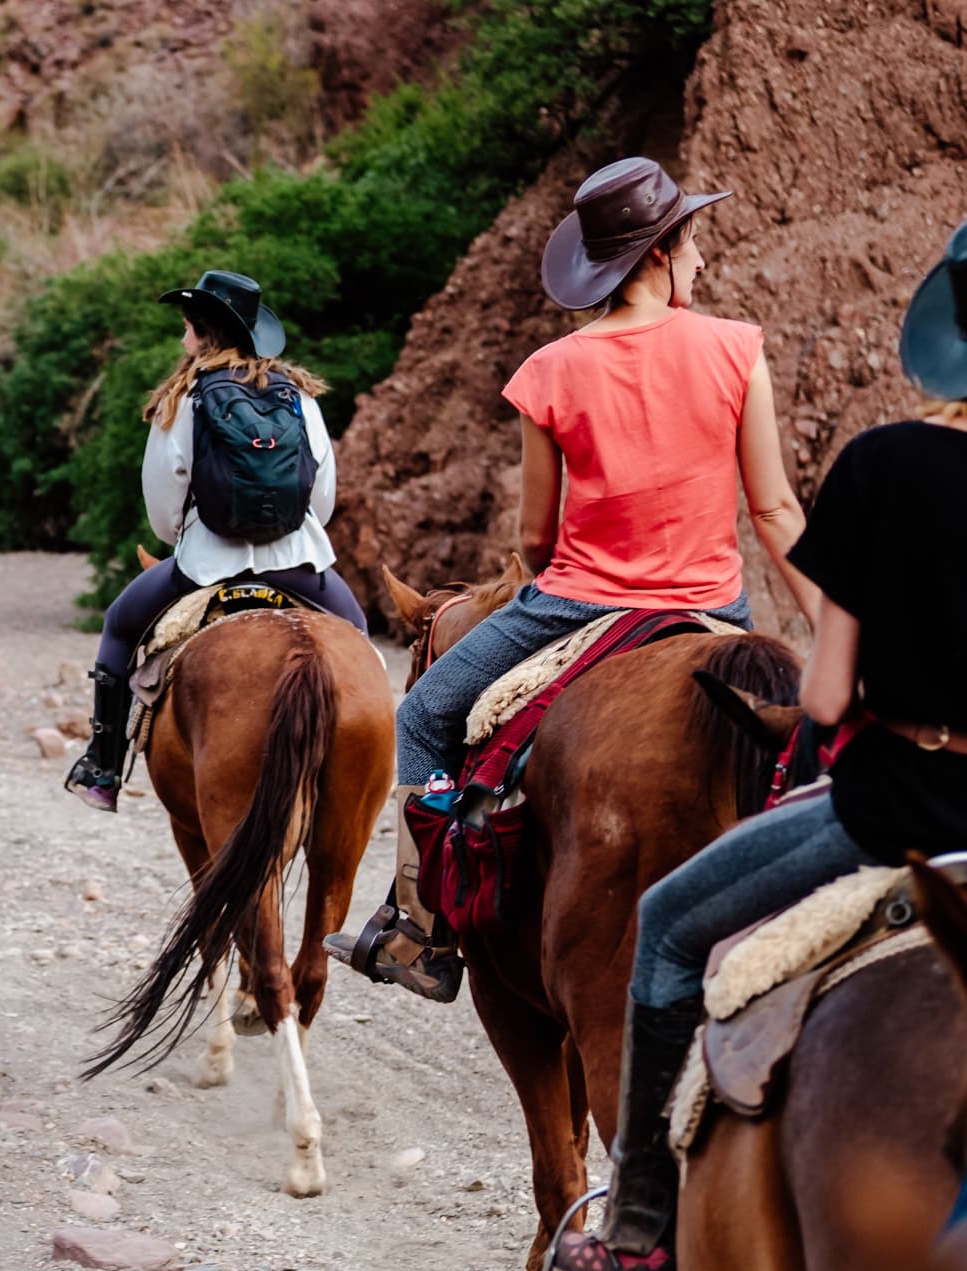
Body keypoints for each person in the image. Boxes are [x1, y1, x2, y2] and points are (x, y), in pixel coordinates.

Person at [545, 219, 967, 1271]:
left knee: (673, 928)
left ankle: (638, 1230)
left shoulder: (885, 466)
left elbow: (824, 699)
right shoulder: (732, 355)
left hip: (899, 809)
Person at [325, 156, 820, 1002]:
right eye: (695, 242)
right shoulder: (739, 349)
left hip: (577, 603)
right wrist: (839, 619)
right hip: (713, 608)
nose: (701, 261)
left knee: (427, 711)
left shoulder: (550, 370)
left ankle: (425, 929)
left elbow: (533, 534)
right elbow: (774, 511)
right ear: (660, 252)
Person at [64, 269, 368, 813]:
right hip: (296, 561)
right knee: (360, 646)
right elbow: (320, 499)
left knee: (118, 627)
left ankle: (104, 767)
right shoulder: (300, 396)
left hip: (205, 566)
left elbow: (163, 511)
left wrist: (195, 535)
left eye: (187, 327)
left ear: (203, 333)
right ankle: (365, 769)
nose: (182, 339)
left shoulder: (182, 399)